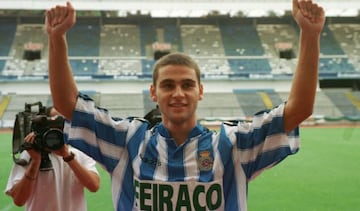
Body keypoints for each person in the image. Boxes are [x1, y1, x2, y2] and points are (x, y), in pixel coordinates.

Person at [45, 0, 325, 210]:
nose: (178, 93)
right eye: (168, 85)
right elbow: (67, 104)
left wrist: (310, 35)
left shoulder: (232, 146)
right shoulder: (128, 140)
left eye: (187, 85)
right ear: (153, 93)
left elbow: (299, 109)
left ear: (200, 91)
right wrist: (57, 39)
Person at [5, 107, 100, 211]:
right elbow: (19, 200)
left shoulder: (79, 152)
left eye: (63, 120)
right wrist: (35, 161)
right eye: (52, 121)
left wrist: (67, 156)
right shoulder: (30, 154)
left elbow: (94, 186)